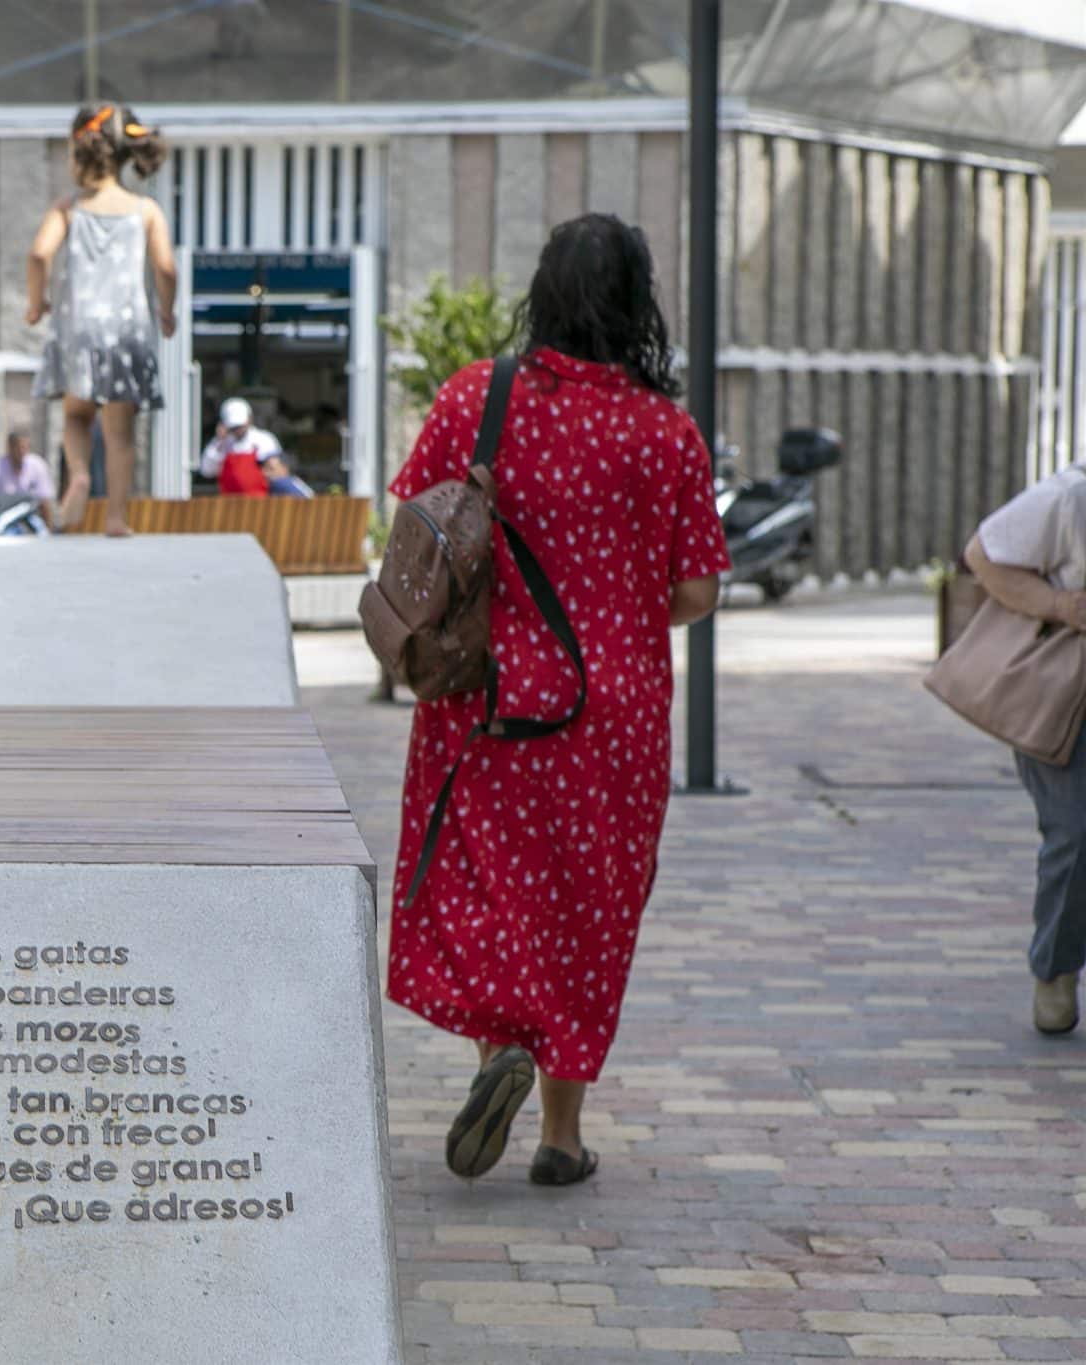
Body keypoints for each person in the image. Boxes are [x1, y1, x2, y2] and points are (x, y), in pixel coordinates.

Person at [388, 214, 729, 1187]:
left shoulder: (473, 400)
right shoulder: (665, 432)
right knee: (585, 910)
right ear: (636, 306)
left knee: (487, 884)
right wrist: (616, 607)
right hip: (609, 716)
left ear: (538, 294)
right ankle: (559, 1137)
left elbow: (417, 527)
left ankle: (497, 1046)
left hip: (482, 697)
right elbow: (698, 591)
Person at [963, 462, 1086, 1035]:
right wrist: (1061, 607)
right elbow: (983, 554)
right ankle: (1056, 971)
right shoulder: (1071, 497)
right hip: (1071, 694)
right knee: (1075, 832)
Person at [27, 103, 178, 536]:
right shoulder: (145, 210)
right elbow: (166, 269)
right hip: (128, 330)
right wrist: (166, 311)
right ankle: (115, 516)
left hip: (79, 329)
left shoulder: (69, 208)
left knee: (77, 416)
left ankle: (77, 474)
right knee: (121, 431)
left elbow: (39, 254)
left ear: (82, 154)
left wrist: (36, 304)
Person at [198, 397, 281, 497]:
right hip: (229, 504)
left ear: (250, 419)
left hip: (259, 504)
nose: (237, 430)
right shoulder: (222, 444)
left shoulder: (264, 440)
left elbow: (277, 472)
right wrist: (218, 441)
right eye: (234, 427)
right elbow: (207, 471)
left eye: (240, 426)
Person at [0, 430, 58, 525]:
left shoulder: (37, 465)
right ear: (10, 447)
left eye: (25, 448)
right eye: (19, 448)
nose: (22, 452)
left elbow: (45, 501)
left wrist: (48, 533)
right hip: (1, 520)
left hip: (31, 519)